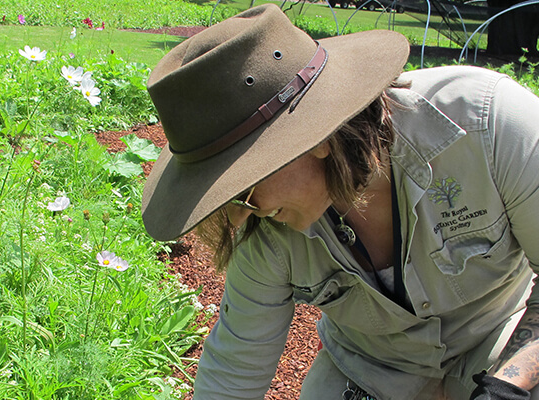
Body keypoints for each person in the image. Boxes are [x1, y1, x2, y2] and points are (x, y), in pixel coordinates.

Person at [140, 4, 539, 400]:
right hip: (370, 371)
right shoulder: (264, 227)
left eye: (242, 186)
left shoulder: (489, 126)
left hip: (497, 343)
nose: (243, 212)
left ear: (314, 138)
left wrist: (507, 388)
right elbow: (232, 375)